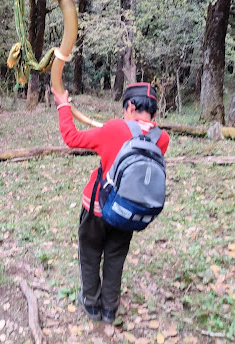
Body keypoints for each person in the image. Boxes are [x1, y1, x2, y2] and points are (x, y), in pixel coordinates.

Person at [52, 83, 169, 324]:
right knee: (115, 258)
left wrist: (63, 106)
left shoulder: (115, 128)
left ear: (131, 107)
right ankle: (109, 309)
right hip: (128, 211)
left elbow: (72, 138)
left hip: (97, 207)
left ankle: (91, 304)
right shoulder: (161, 138)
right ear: (154, 112)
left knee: (90, 254)